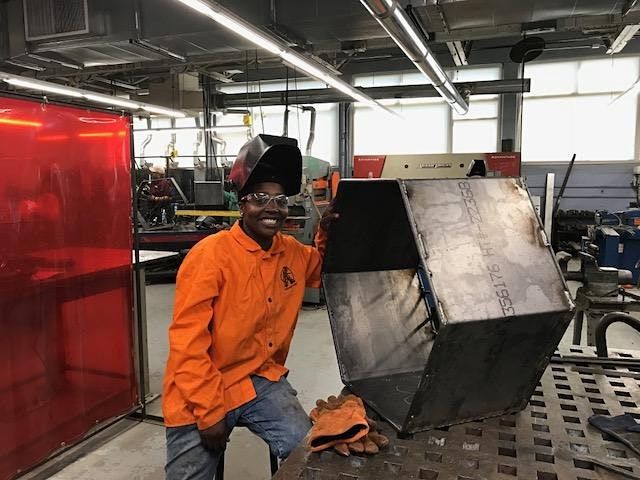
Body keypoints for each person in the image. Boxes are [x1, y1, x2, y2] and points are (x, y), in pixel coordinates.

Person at [162, 134, 335, 479]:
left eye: (280, 200)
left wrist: (330, 231)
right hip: (201, 387)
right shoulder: (210, 256)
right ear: (241, 204)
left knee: (311, 459)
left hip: (261, 379)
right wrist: (209, 412)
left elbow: (327, 270)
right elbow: (187, 342)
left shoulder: (292, 253)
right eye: (260, 198)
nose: (272, 208)